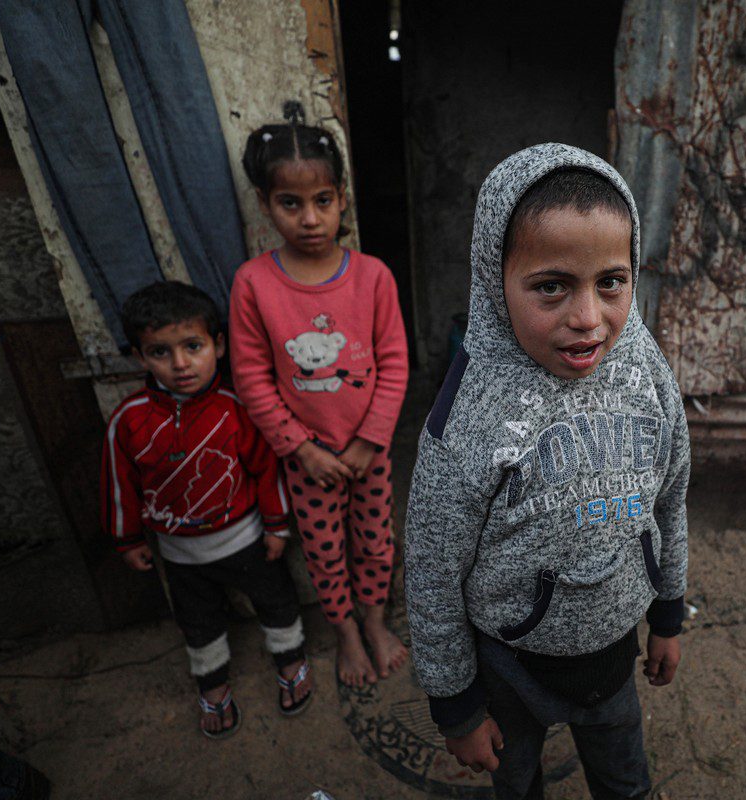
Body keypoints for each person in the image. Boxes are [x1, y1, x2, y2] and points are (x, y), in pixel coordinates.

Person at [405, 143, 690, 799]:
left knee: (625, 783)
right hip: (510, 665)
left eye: (610, 282)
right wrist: (457, 707)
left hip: (617, 652)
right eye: (551, 286)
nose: (588, 319)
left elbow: (671, 499)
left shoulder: (647, 375)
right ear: (493, 281)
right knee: (517, 784)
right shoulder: (470, 415)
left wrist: (669, 615)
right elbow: (432, 566)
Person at [229, 122, 409, 688]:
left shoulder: (373, 277)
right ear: (264, 203)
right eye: (290, 203)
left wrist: (367, 440)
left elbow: (395, 364)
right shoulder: (254, 284)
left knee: (376, 541)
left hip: (368, 453)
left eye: (322, 201)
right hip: (307, 461)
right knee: (325, 551)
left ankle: (376, 622)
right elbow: (252, 377)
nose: (309, 218)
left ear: (341, 200)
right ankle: (346, 634)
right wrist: (301, 449)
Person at [102, 281, 312, 739]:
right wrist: (129, 538)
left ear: (217, 345)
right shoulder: (129, 420)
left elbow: (265, 471)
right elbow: (121, 485)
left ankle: (291, 659)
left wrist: (277, 526)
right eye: (160, 352)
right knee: (198, 622)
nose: (179, 364)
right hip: (179, 555)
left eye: (192, 346)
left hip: (247, 539)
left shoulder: (236, 409)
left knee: (275, 601)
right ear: (139, 357)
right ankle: (213, 686)